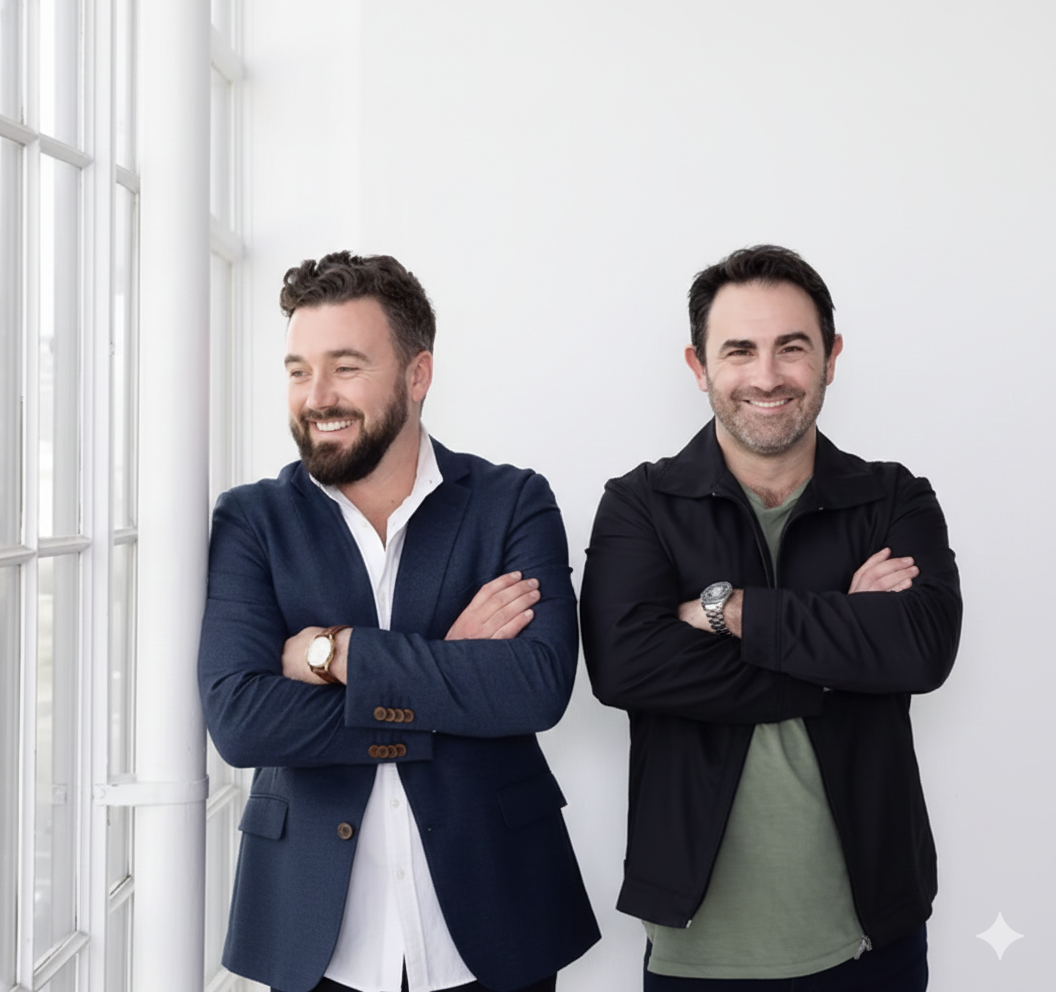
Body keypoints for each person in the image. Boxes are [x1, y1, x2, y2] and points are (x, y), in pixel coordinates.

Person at [199, 252, 599, 992]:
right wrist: (447, 671)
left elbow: (536, 688)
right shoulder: (251, 521)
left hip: (496, 922)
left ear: (418, 376)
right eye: (297, 370)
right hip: (315, 937)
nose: (315, 396)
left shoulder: (512, 502)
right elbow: (242, 721)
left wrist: (336, 653)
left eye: (346, 367)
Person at [580, 245, 960, 991]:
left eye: (793, 347)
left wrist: (729, 610)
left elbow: (920, 649)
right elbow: (625, 666)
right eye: (739, 350)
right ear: (698, 366)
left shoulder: (893, 498)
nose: (766, 376)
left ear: (831, 357)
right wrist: (843, 647)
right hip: (699, 945)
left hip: (872, 936)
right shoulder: (641, 505)